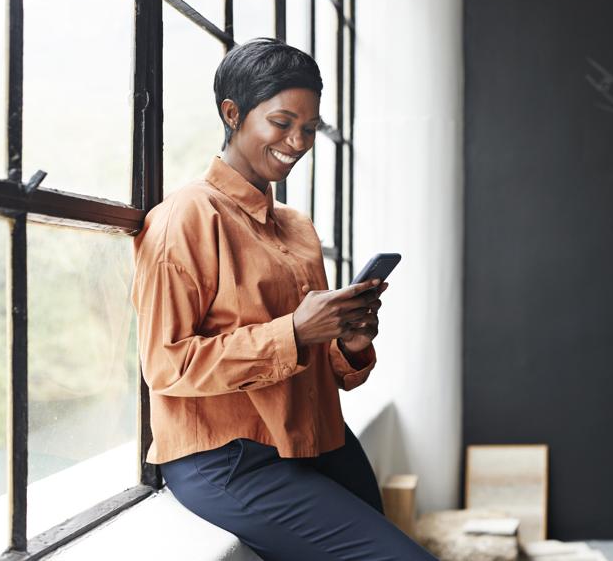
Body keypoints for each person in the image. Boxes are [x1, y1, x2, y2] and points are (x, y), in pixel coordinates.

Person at [130, 38, 436, 560]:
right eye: (282, 122)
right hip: (228, 458)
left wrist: (350, 342)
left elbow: (320, 365)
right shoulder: (185, 217)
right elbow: (165, 365)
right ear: (233, 114)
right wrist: (293, 331)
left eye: (309, 128)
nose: (297, 141)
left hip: (316, 436)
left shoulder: (296, 226)